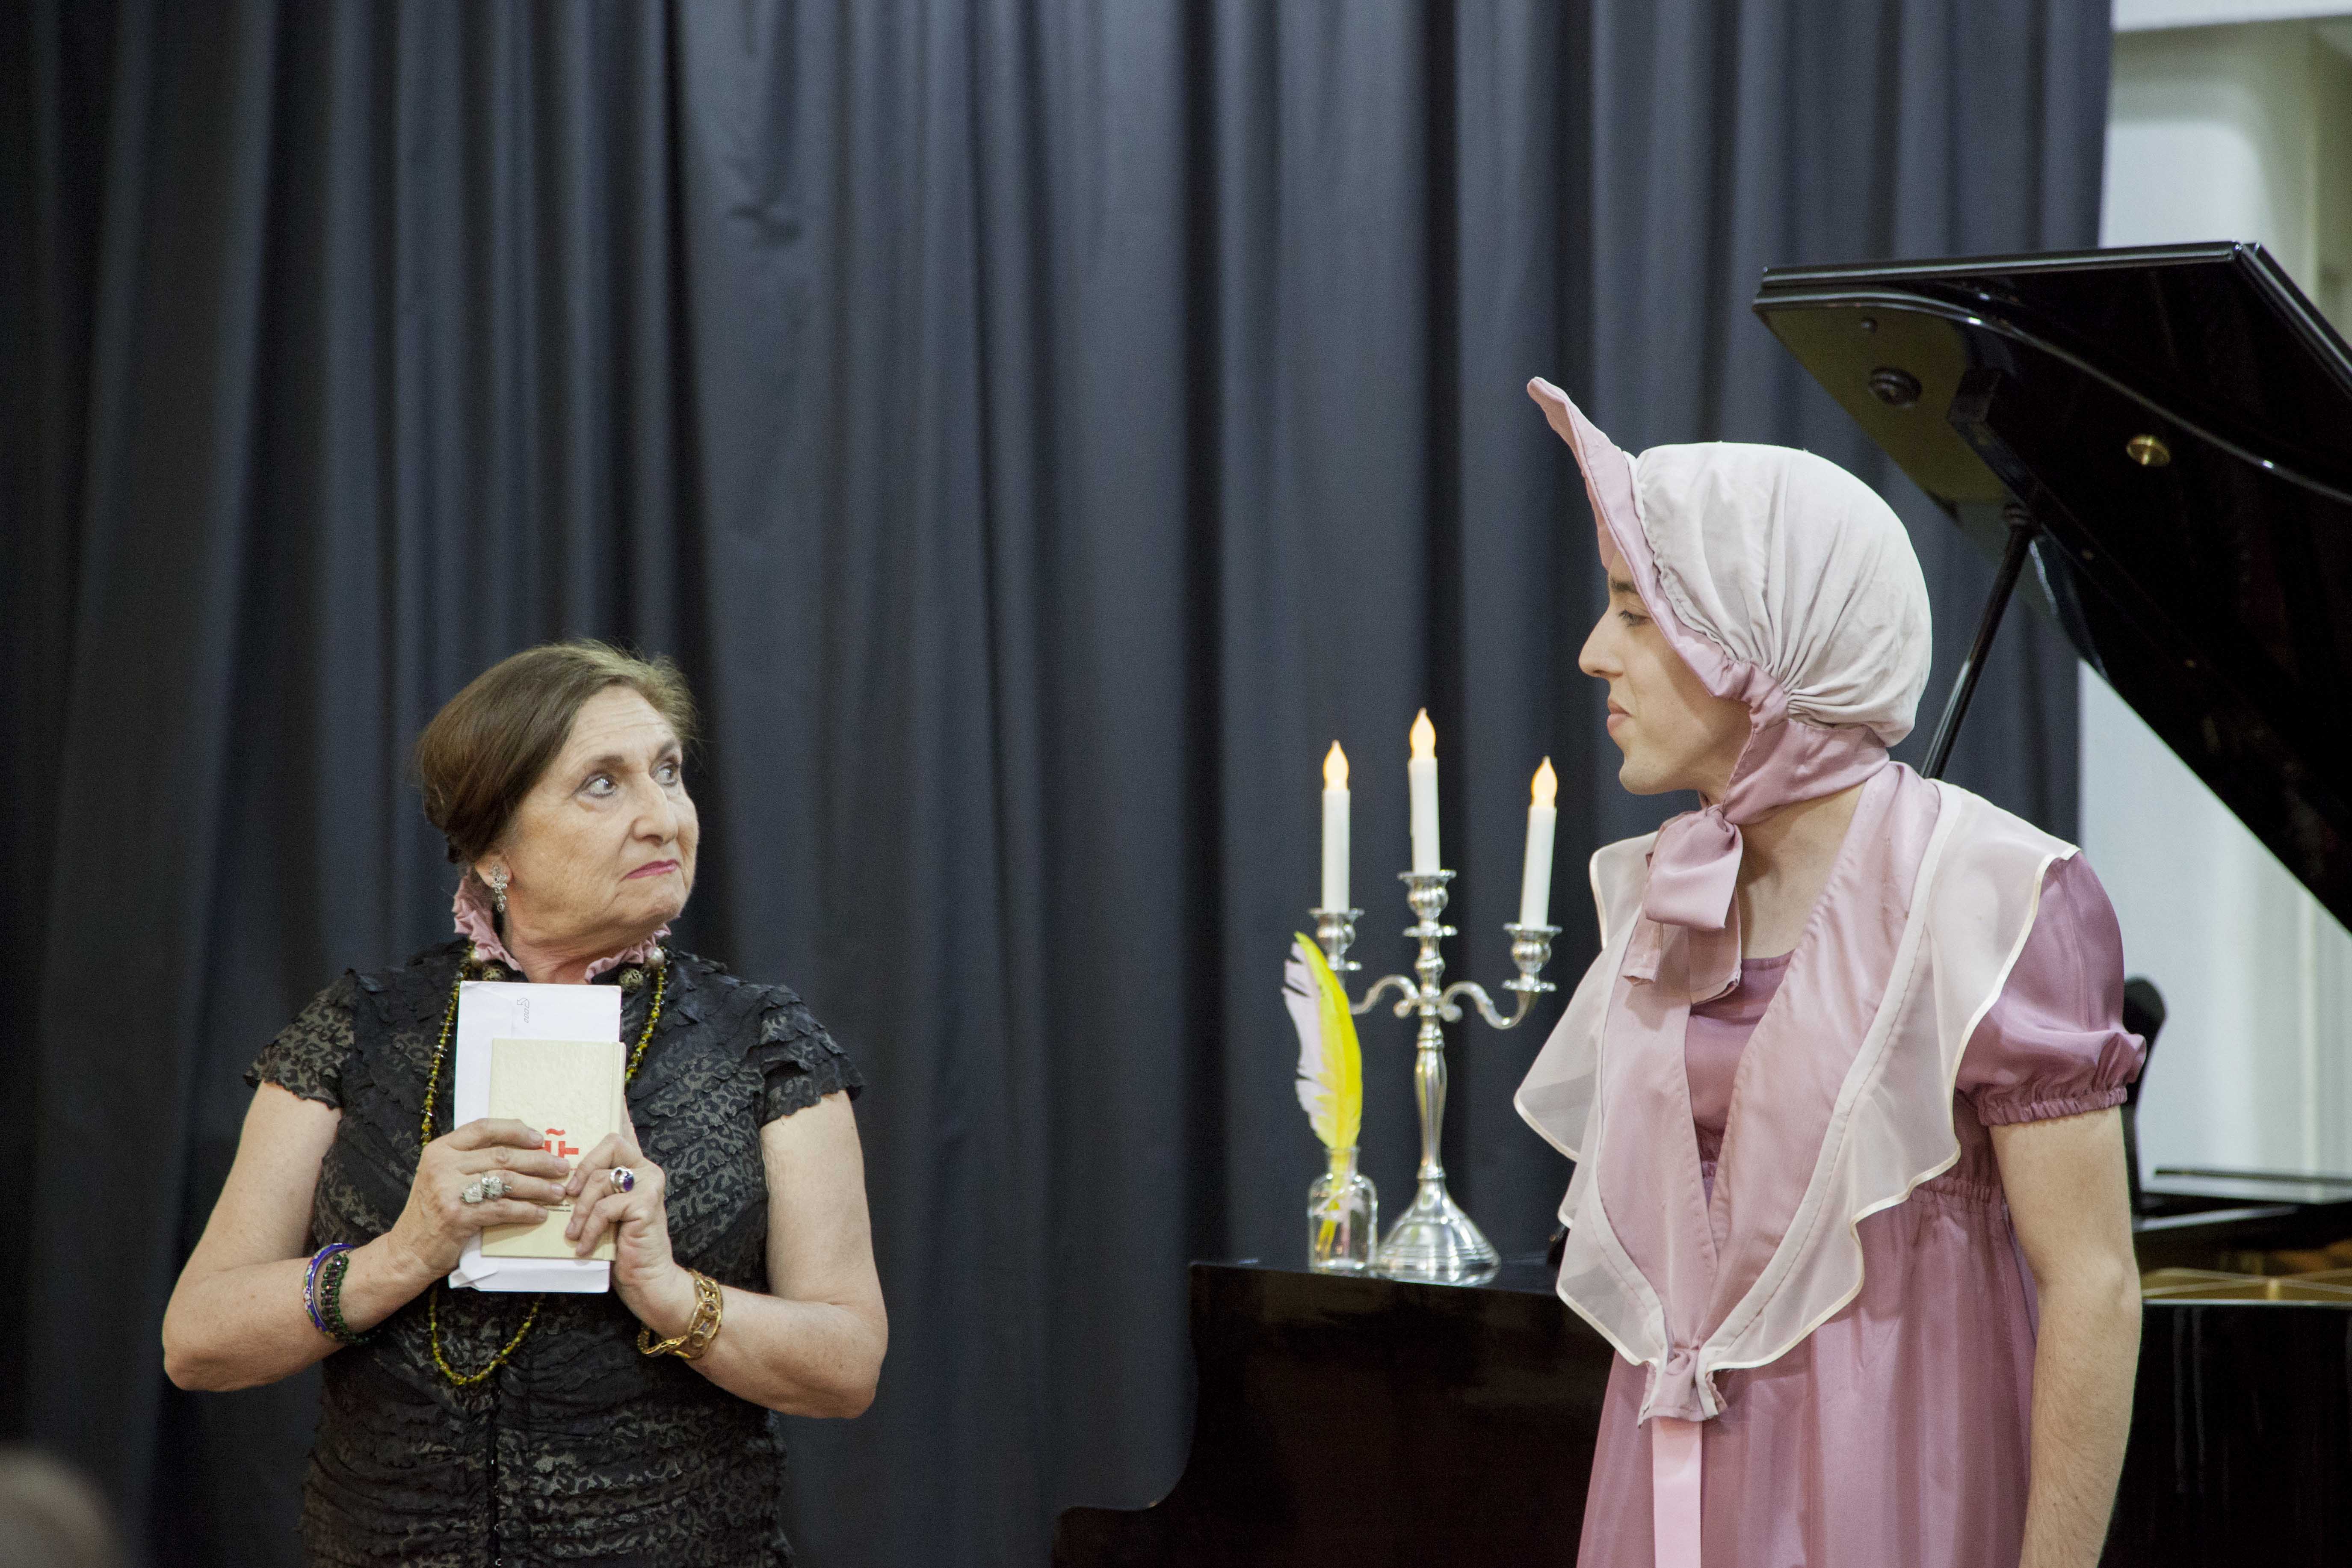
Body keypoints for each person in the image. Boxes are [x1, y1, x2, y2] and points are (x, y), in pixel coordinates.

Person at [1514, 380, 2144, 1568]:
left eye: (1635, 612)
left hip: (1897, 1481)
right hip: (1668, 1485)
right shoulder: (1664, 890)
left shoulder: (1996, 895)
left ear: (1760, 640)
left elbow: (2094, 1284)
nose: (1595, 654)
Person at [162, 641, 885, 1567]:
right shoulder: (361, 1030)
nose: (663, 817)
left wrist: (671, 1293)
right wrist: (403, 1255)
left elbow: (847, 1365)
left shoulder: (764, 1043)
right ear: (493, 849)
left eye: (669, 771)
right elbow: (197, 1341)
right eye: (602, 784)